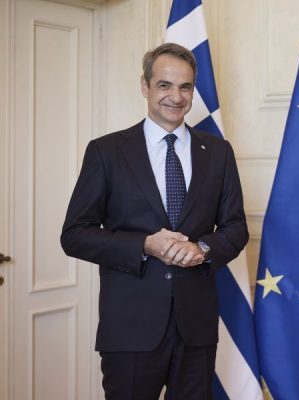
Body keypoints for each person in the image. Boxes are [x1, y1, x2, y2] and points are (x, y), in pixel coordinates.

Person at [60, 43, 248, 400]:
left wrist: (202, 248)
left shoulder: (218, 152)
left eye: (185, 87)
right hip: (130, 328)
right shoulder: (107, 151)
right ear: (145, 86)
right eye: (165, 85)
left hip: (196, 329)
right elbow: (74, 234)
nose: (176, 97)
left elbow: (236, 228)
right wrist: (144, 245)